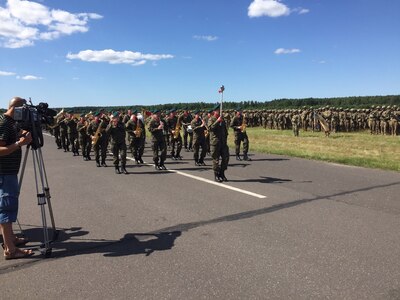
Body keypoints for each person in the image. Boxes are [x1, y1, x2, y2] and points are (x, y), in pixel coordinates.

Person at [0, 97, 34, 259]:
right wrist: (19, 144)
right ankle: (10, 249)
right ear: (17, 109)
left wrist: (24, 134)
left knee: (7, 208)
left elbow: (17, 133)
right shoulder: (3, 123)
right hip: (4, 174)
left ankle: (11, 238)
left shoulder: (11, 123)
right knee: (7, 209)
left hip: (8, 173)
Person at [208, 105, 229, 182]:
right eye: (218, 110)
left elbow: (225, 131)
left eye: (220, 110)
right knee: (216, 159)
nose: (220, 111)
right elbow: (210, 128)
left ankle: (222, 173)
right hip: (215, 142)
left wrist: (225, 138)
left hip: (223, 142)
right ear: (214, 111)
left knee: (226, 158)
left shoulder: (222, 119)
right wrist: (217, 121)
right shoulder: (211, 119)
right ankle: (216, 175)